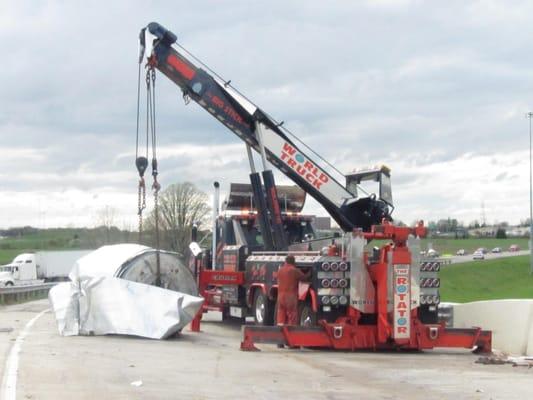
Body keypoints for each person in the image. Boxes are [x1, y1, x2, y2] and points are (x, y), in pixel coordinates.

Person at [276, 255, 308, 326]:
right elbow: (304, 278)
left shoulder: (280, 270)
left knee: (281, 314)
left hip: (280, 297)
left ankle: (280, 329)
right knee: (292, 316)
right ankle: (290, 332)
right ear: (294, 262)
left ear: (285, 261)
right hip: (290, 297)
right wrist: (309, 274)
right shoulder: (294, 270)